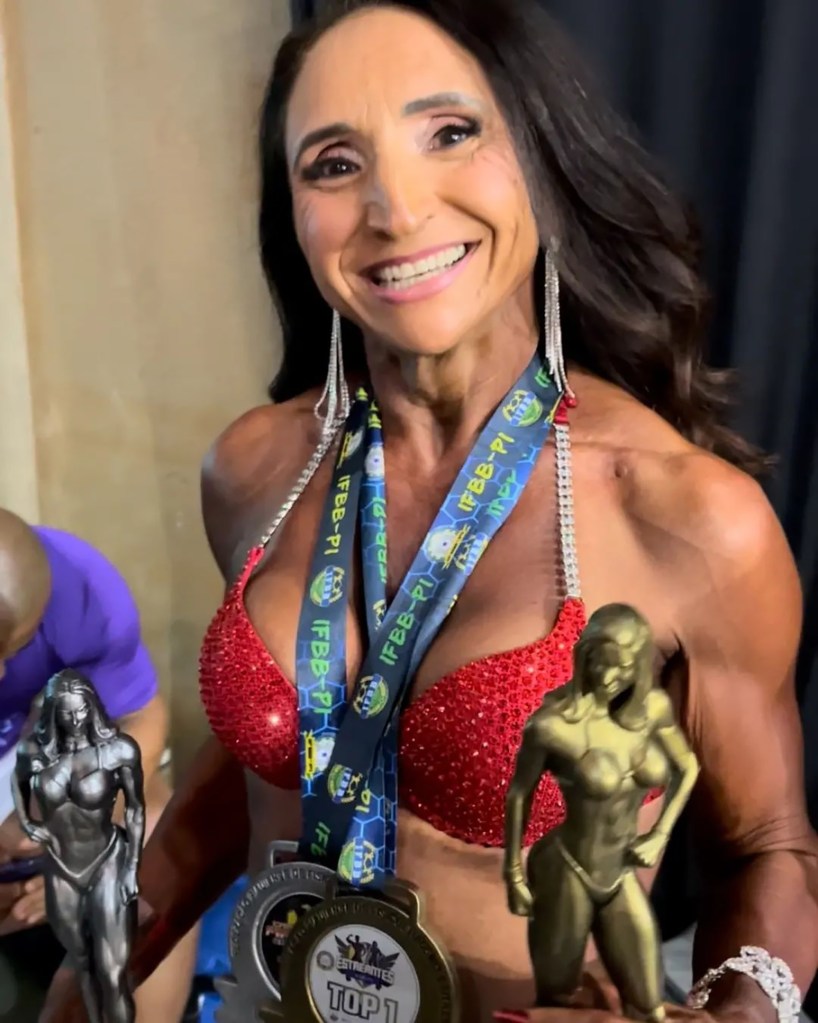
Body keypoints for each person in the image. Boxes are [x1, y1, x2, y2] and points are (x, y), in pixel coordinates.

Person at [41, 2, 818, 1022]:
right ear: (293, 212)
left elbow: (767, 850)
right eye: (332, 163)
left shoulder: (684, 516)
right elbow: (260, 775)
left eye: (449, 133)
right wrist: (94, 965)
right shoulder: (253, 468)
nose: (396, 210)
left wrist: (732, 1018)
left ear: (538, 160)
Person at [0, 510, 196, 1022]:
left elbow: (142, 718)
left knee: (153, 831)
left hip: (22, 761)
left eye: (13, 649)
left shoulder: (81, 591)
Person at [505, 604, 700, 1019]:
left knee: (649, 1004)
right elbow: (519, 794)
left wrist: (661, 833)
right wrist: (514, 876)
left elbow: (688, 767)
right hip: (567, 868)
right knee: (555, 1003)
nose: (608, 679)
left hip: (620, 870)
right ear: (584, 657)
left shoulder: (653, 711)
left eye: (623, 669)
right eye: (599, 664)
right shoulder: (554, 726)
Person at [14, 671, 146, 1023]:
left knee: (114, 971)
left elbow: (135, 808)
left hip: (107, 861)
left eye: (81, 712)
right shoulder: (35, 752)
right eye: (67, 713)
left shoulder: (118, 751)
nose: (75, 721)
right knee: (82, 965)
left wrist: (132, 868)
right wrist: (29, 825)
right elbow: (19, 780)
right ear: (55, 713)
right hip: (60, 866)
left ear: (92, 708)